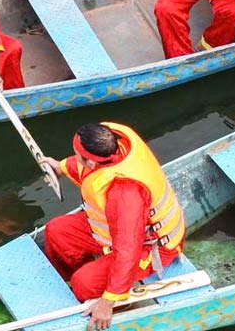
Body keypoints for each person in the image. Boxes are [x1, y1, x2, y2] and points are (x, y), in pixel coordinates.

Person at [40, 122, 185, 330]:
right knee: (56, 231)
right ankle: (82, 279)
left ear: (90, 162)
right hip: (118, 227)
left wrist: (109, 300)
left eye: (77, 155)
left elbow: (128, 249)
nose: (75, 158)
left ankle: (115, 304)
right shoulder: (112, 145)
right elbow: (84, 165)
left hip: (150, 244)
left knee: (84, 283)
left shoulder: (125, 193)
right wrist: (60, 167)